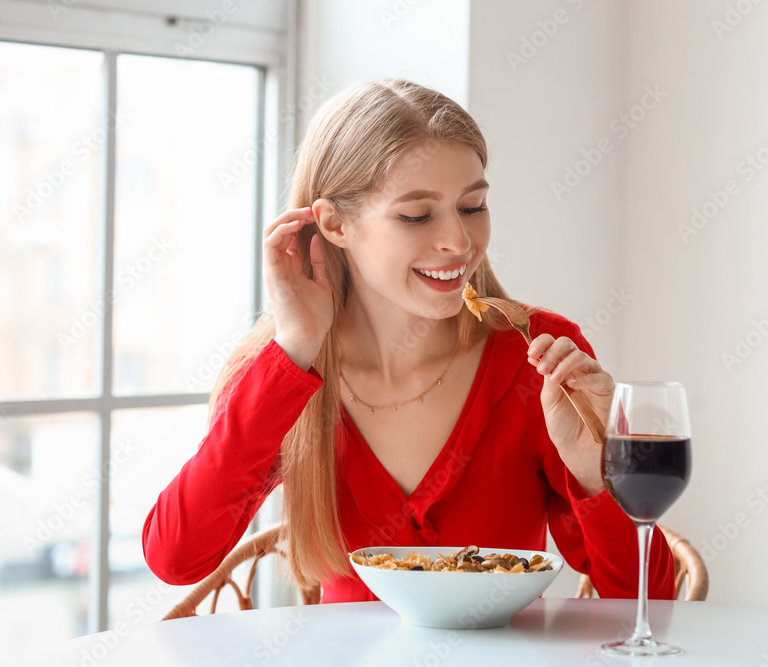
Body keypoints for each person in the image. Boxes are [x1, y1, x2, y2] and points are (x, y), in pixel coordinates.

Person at [143, 78, 675, 603]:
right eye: (416, 215)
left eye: (472, 207)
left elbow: (647, 602)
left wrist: (599, 474)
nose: (459, 242)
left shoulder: (540, 354)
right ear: (335, 224)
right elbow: (176, 558)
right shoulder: (284, 372)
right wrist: (294, 349)